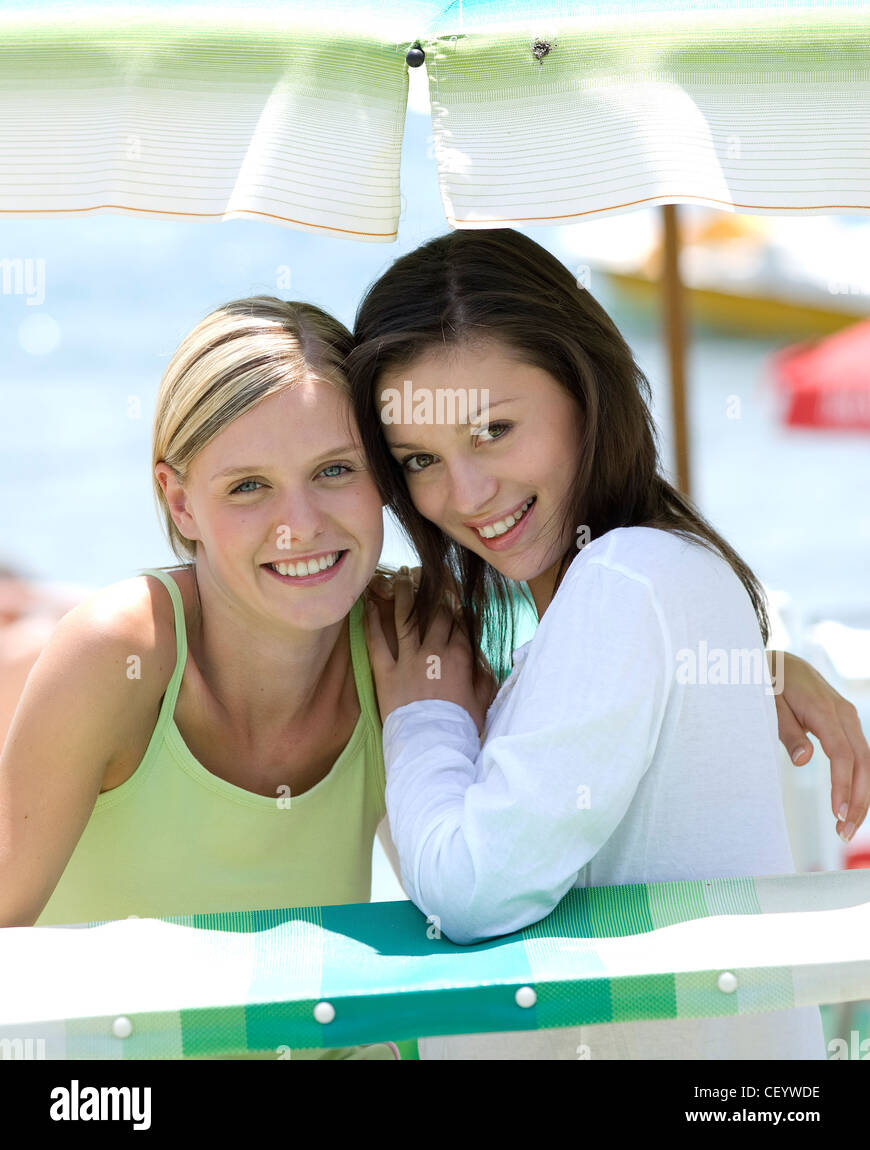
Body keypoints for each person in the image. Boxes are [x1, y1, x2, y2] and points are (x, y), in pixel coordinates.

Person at [349, 227, 870, 1060]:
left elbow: (472, 893)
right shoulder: (652, 583)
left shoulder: (626, 579)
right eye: (418, 458)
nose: (466, 493)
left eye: (493, 430)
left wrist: (423, 715)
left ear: (583, 389)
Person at [0, 296, 410, 1060]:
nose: (301, 524)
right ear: (180, 501)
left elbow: (467, 895)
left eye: (334, 470)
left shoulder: (401, 642)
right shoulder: (118, 653)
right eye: (248, 486)